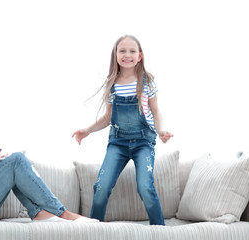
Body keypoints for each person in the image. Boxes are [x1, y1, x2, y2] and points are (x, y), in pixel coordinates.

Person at [72, 35, 173, 225]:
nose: (127, 55)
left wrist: (161, 131)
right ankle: (93, 230)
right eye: (122, 51)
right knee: (101, 187)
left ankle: (160, 231)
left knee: (145, 187)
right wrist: (87, 130)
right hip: (117, 143)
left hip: (143, 142)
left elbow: (156, 111)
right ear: (116, 54)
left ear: (140, 56)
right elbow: (108, 117)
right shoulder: (112, 84)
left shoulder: (147, 82)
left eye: (132, 51)